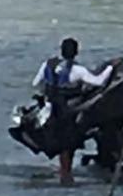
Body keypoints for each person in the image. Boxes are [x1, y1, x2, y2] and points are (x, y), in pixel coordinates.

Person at [32, 38, 114, 184]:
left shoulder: (48, 65)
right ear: (76, 52)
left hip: (49, 109)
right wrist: (111, 68)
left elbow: (36, 83)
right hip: (66, 112)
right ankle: (66, 176)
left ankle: (63, 171)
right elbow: (99, 81)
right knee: (68, 144)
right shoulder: (77, 70)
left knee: (59, 142)